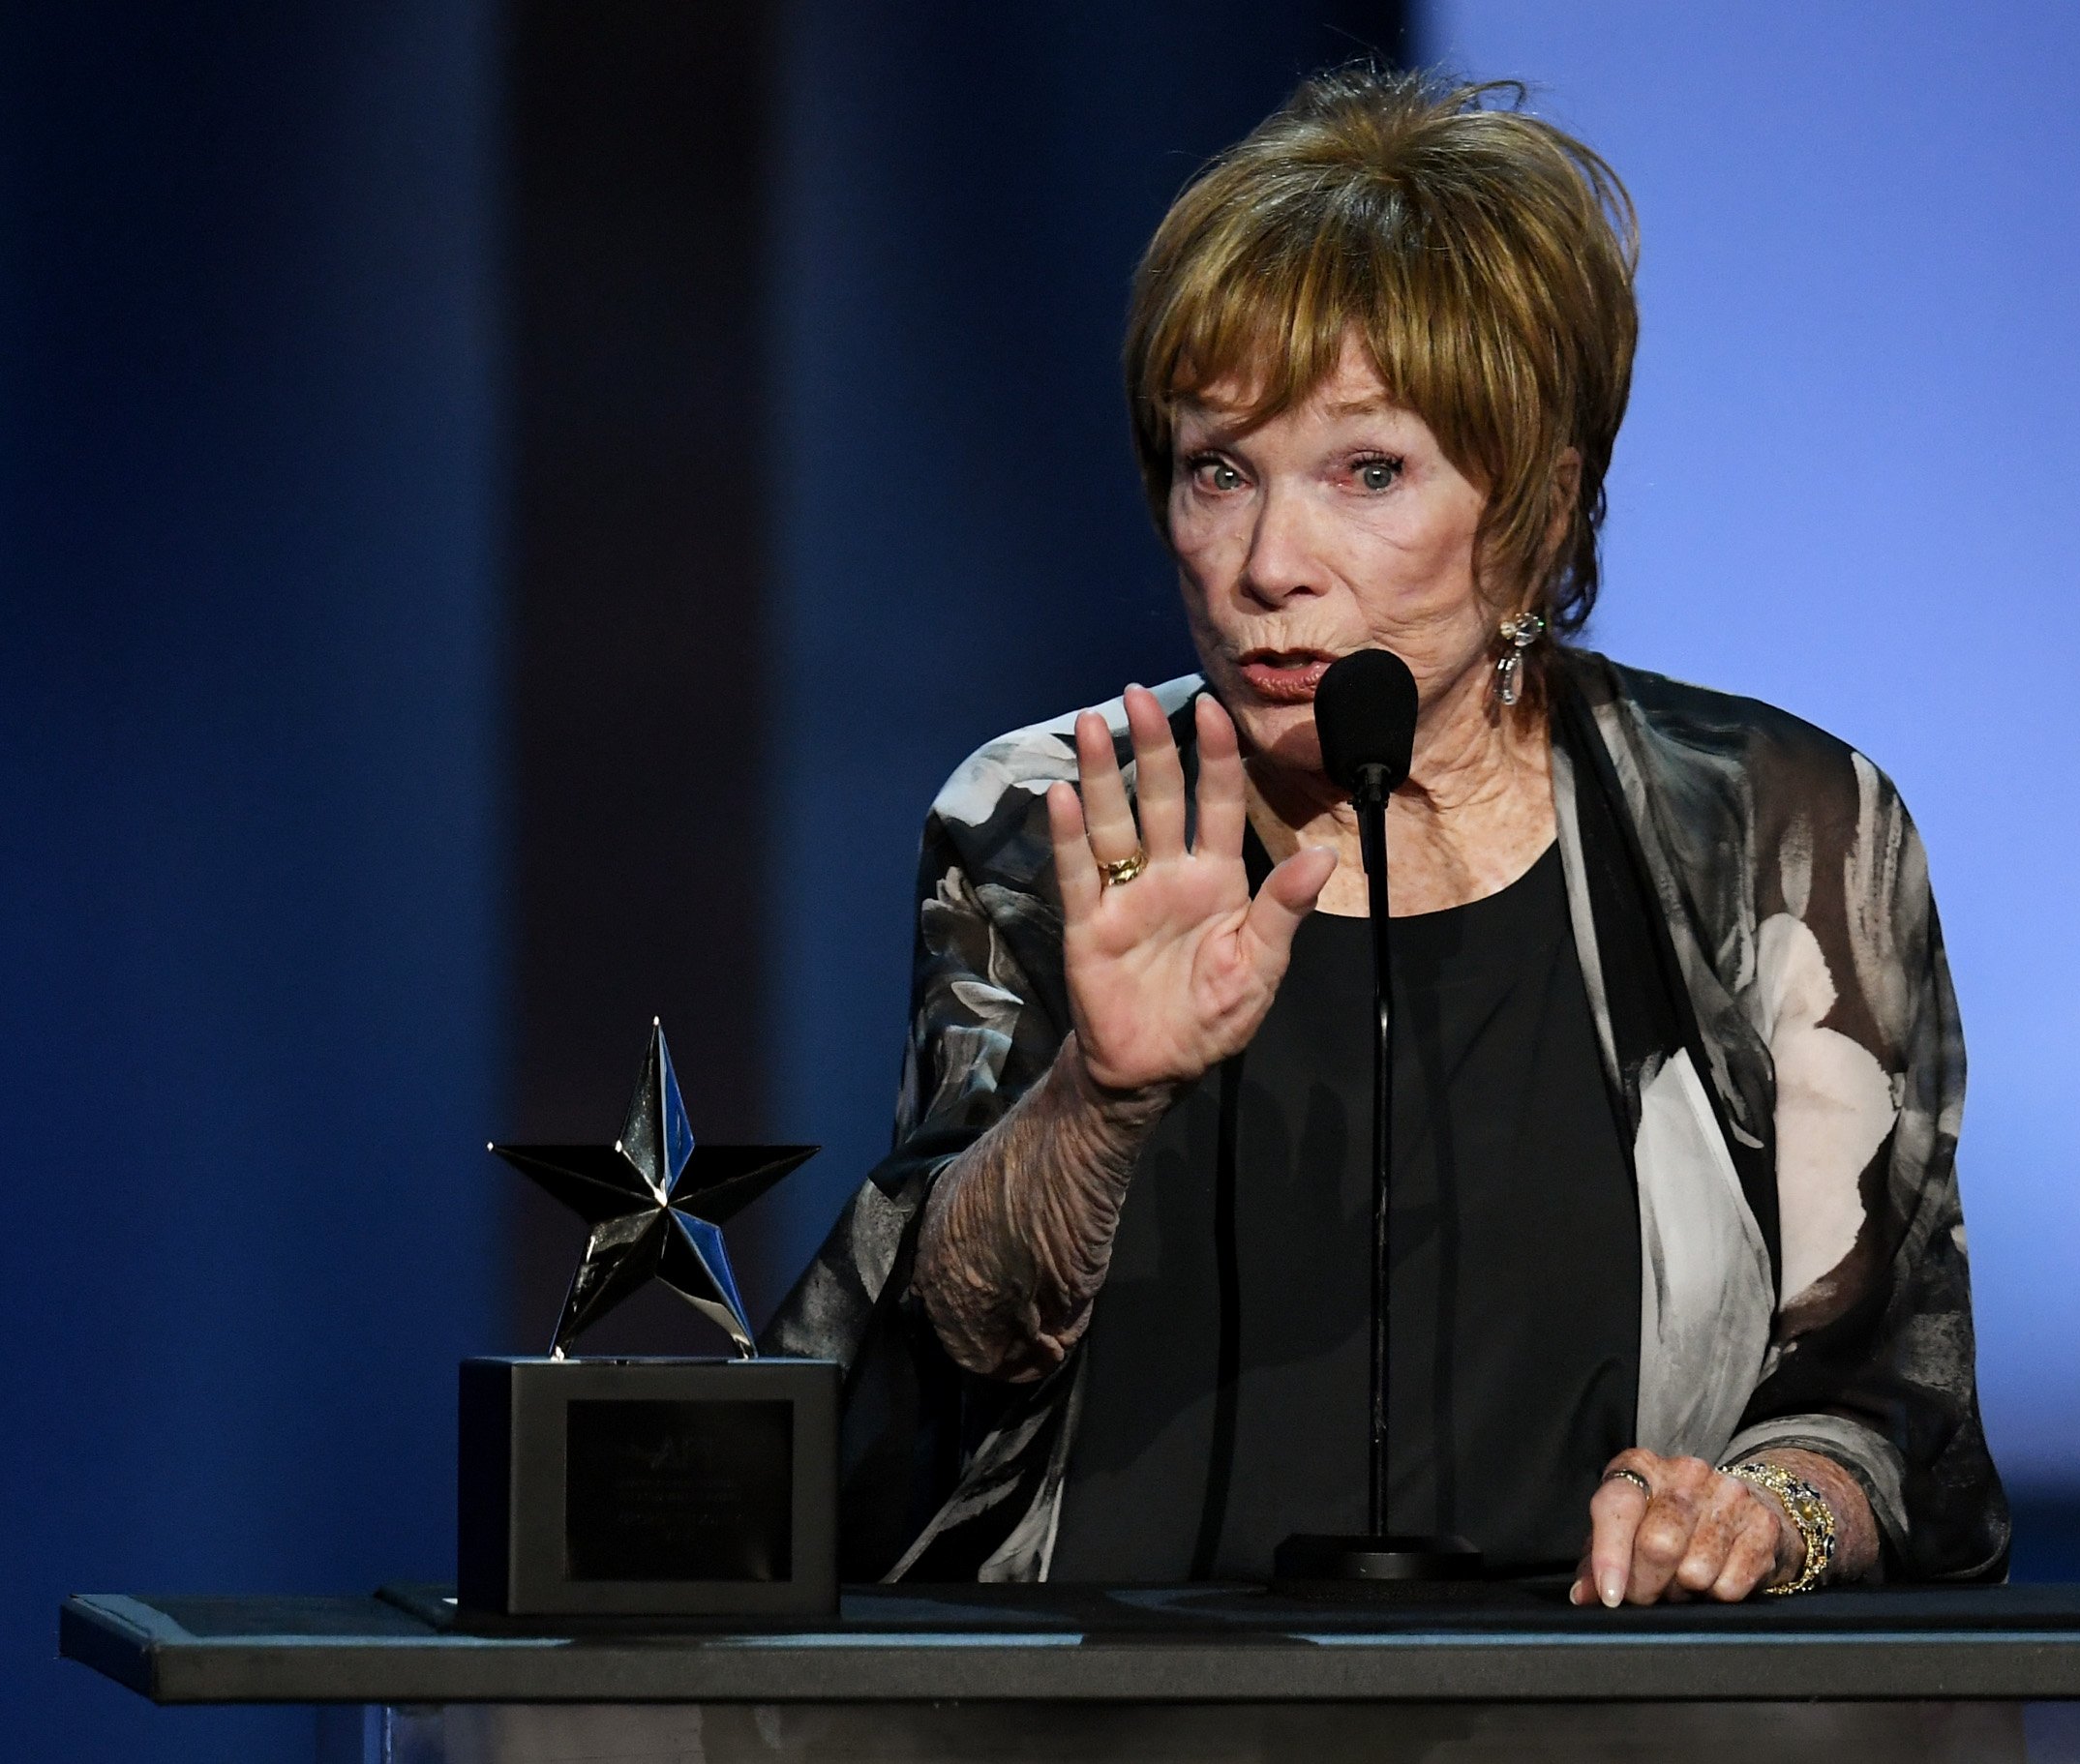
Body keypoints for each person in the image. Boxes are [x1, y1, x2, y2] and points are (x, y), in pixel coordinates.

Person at [766, 67, 2009, 1602]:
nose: (1266, 562)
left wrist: (1761, 1518)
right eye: (1218, 468)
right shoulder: (1059, 812)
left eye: (1369, 471)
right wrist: (1098, 1097)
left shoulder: (1780, 832)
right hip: (1109, 1717)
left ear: (1539, 512)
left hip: (1610, 1724)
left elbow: (1890, 1395)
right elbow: (949, 1343)